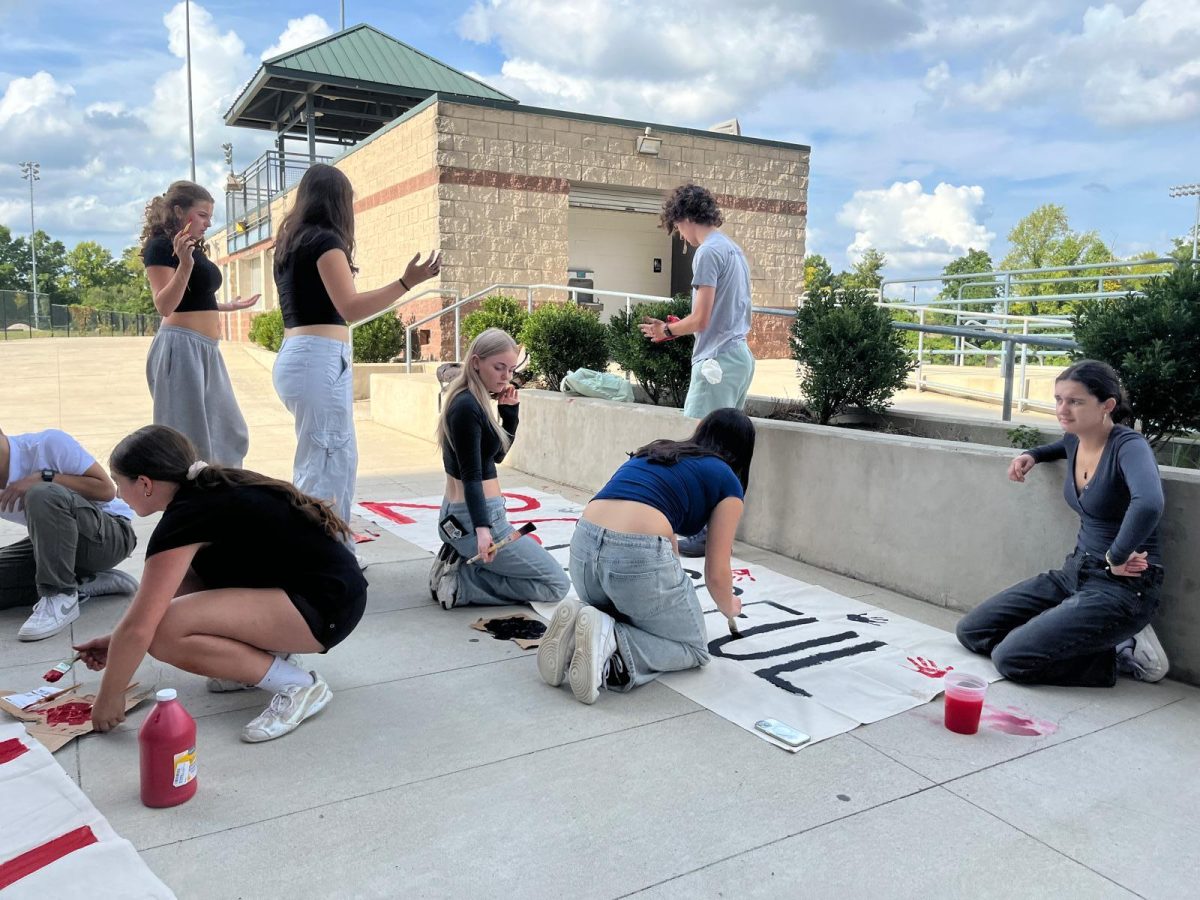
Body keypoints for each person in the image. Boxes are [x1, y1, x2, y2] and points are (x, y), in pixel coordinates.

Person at [74, 425, 368, 743]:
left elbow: (143, 627)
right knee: (170, 606)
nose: (118, 494)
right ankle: (264, 664)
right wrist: (118, 641)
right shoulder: (205, 491)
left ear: (145, 483)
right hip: (332, 596)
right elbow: (159, 600)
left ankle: (297, 685)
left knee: (162, 633)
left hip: (326, 608)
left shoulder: (187, 517)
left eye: (119, 483)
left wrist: (109, 697)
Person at [957, 360, 1168, 686]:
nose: (1062, 409)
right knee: (972, 631)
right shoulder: (1075, 439)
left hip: (1124, 588)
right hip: (1076, 571)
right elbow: (1057, 447)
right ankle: (1086, 637)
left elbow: (1149, 503)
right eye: (1058, 399)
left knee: (1011, 659)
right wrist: (1033, 455)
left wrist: (1116, 555)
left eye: (1075, 401)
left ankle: (1115, 652)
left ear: (1107, 406)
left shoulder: (1129, 446)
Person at [538, 409, 756, 704]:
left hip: (582, 551)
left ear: (701, 428)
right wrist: (729, 606)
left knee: (632, 611)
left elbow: (664, 533)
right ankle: (611, 645)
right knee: (692, 648)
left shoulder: (658, 451)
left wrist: (670, 583)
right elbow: (717, 572)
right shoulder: (727, 480)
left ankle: (582, 629)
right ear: (744, 451)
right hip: (631, 560)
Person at [272, 163, 441, 526]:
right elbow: (349, 307)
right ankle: (324, 555)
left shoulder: (291, 242)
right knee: (328, 461)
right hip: (317, 359)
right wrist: (406, 283)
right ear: (338, 202)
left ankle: (330, 548)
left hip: (303, 358)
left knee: (325, 457)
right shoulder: (325, 242)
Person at [639, 183, 756, 556]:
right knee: (729, 451)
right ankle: (718, 532)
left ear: (684, 218)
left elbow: (702, 319)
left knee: (709, 452)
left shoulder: (707, 253)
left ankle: (710, 533)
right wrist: (682, 326)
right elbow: (719, 315)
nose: (681, 239)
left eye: (677, 229)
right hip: (737, 358)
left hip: (716, 364)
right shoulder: (733, 249)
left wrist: (667, 330)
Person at [428, 328, 569, 610]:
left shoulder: (472, 399)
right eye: (499, 367)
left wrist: (509, 415)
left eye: (511, 369)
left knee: (538, 573)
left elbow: (496, 457)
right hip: (475, 519)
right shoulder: (467, 406)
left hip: (464, 517)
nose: (506, 376)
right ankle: (462, 583)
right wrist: (483, 530)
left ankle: (460, 566)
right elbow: (472, 477)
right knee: (556, 584)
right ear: (476, 362)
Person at [141, 181, 258, 467]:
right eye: (203, 214)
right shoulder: (161, 247)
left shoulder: (192, 248)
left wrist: (225, 306)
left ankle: (217, 496)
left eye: (210, 216)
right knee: (187, 441)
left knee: (229, 432)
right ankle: (190, 504)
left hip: (206, 349)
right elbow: (165, 304)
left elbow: (190, 299)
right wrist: (184, 264)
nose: (208, 223)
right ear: (179, 211)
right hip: (180, 348)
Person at [0, 426, 138, 640]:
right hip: (55, 545)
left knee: (42, 493)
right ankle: (83, 580)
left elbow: (107, 490)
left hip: (110, 535)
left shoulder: (47, 444)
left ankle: (59, 595)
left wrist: (45, 478)